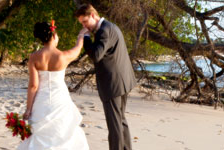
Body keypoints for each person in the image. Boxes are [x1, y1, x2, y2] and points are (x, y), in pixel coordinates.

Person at [17, 21, 89, 150]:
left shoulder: (34, 57)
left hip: (41, 102)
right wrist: (81, 35)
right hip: (60, 101)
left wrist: (28, 109)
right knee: (64, 134)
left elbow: (33, 85)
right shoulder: (63, 56)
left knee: (40, 137)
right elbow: (78, 49)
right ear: (54, 36)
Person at [75, 4, 137, 150]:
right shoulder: (110, 26)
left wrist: (86, 38)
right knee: (121, 121)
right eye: (82, 24)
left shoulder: (104, 30)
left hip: (113, 84)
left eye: (84, 22)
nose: (84, 26)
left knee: (114, 125)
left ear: (92, 15)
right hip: (122, 81)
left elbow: (96, 55)